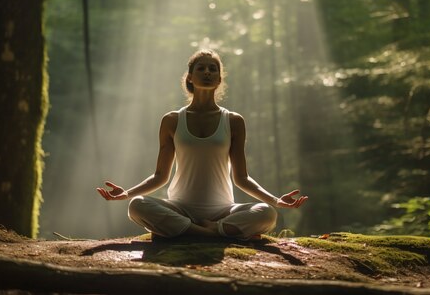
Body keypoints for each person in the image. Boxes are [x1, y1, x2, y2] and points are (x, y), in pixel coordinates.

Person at [96, 49, 307, 240]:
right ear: (189, 76)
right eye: (201, 68)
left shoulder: (233, 121)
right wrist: (127, 194)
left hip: (223, 211)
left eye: (213, 69)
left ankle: (189, 230)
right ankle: (212, 232)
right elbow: (160, 176)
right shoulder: (172, 120)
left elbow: (241, 178)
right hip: (179, 208)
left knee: (267, 213)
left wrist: (276, 200)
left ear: (219, 79)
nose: (207, 72)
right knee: (137, 205)